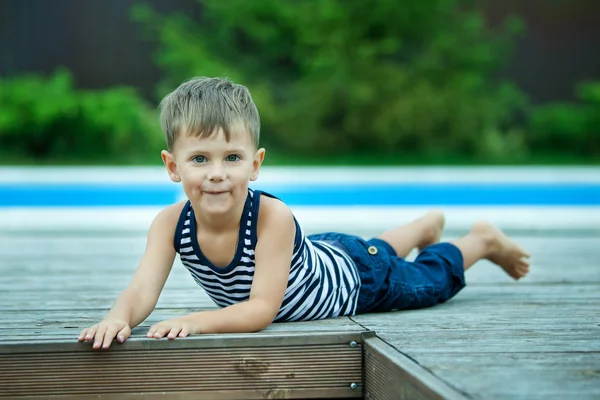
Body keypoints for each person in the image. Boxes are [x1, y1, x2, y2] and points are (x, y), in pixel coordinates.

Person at [78, 77, 531, 350]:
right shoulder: (170, 224)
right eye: (200, 159)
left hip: (359, 283)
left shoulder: (272, 217)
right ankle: (422, 227)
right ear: (173, 166)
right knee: (376, 250)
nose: (217, 174)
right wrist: (119, 317)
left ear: (255, 164)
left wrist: (195, 321)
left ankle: (480, 241)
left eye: (231, 158)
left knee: (428, 281)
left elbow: (259, 311)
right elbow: (141, 289)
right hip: (330, 255)